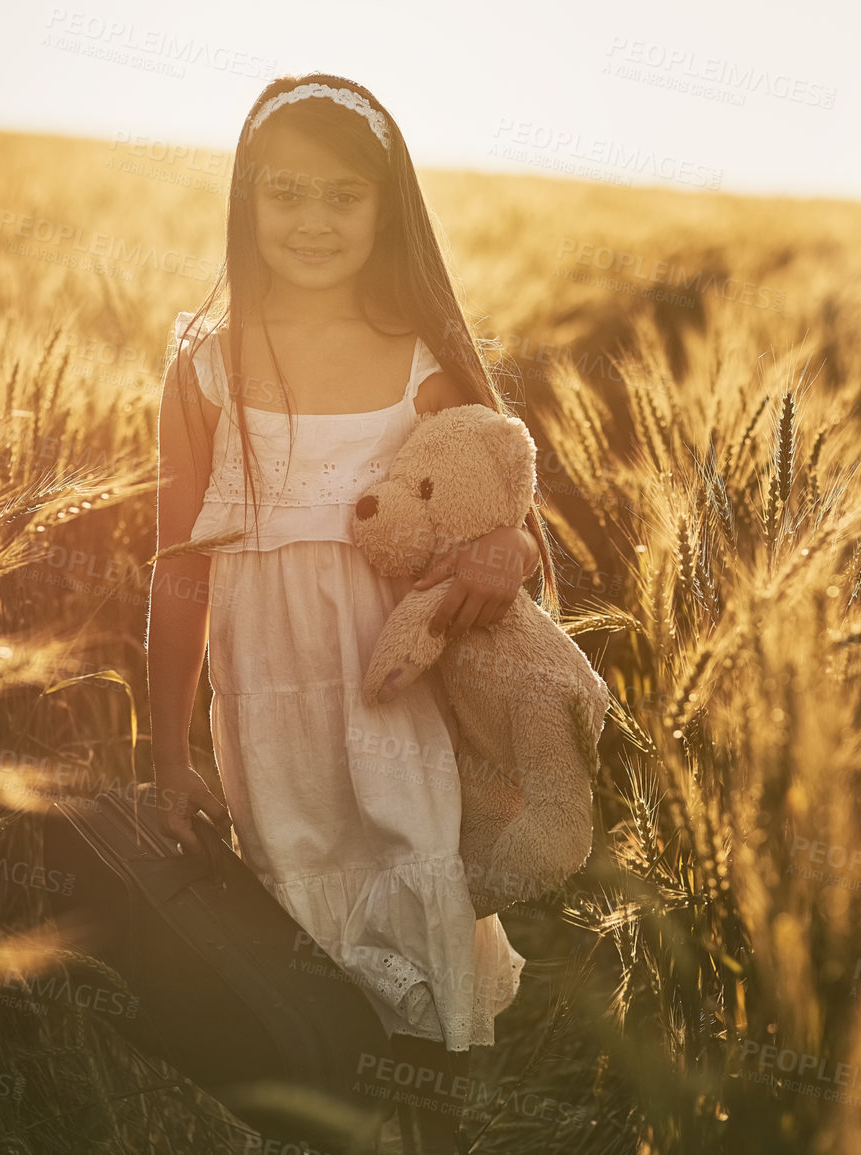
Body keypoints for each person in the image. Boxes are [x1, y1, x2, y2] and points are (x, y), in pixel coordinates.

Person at [145, 73, 559, 1154]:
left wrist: (499, 549)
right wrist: (166, 751)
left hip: (397, 690)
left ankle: (435, 1125)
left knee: (410, 879)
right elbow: (176, 569)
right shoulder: (202, 369)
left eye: (343, 196)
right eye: (285, 193)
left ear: (387, 209)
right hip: (270, 707)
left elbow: (511, 532)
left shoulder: (422, 368)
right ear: (245, 200)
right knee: (299, 916)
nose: (313, 221)